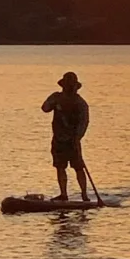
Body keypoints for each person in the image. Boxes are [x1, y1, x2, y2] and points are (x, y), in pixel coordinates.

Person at [41, 72, 91, 203]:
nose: (68, 88)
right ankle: (63, 194)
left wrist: (77, 137)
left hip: (73, 141)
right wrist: (53, 103)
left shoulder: (80, 103)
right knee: (60, 167)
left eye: (71, 86)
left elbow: (84, 122)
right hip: (59, 139)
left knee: (78, 167)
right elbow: (45, 108)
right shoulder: (56, 97)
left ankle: (84, 195)